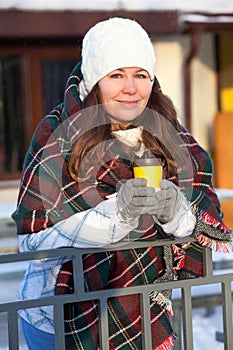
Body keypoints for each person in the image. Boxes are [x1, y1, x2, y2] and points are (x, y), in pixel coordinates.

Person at [12, 17, 232, 350]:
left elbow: (201, 228)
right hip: (59, 318)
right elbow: (33, 246)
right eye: (116, 75)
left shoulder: (173, 140)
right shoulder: (57, 137)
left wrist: (176, 212)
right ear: (95, 80)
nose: (131, 88)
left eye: (140, 75)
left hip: (145, 313)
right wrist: (115, 216)